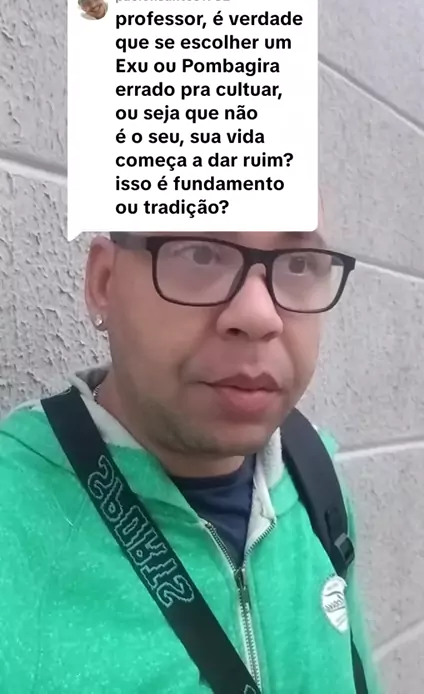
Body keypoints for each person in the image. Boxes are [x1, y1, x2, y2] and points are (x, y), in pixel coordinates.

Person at [0, 226, 380, 693]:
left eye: (299, 264)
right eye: (201, 254)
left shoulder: (314, 474)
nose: (259, 315)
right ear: (104, 282)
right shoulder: (13, 526)